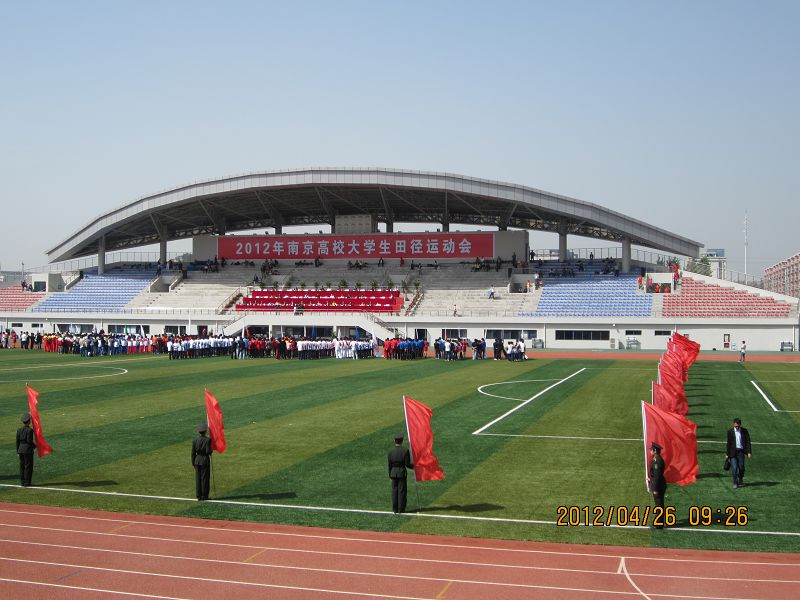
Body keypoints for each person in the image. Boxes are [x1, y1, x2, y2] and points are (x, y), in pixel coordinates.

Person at [388, 432, 413, 513]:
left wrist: (390, 474)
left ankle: (395, 509)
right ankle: (401, 509)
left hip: (393, 472)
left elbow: (389, 465)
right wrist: (414, 466)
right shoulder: (405, 451)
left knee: (394, 491)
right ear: (401, 441)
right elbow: (407, 464)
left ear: (394, 441)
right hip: (401, 473)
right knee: (401, 491)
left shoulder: (391, 451)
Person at [726, 418, 752, 488]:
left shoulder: (744, 431)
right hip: (733, 453)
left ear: (740, 425)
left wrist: (749, 452)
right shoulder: (730, 432)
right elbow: (728, 443)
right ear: (733, 424)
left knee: (741, 467)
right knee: (734, 468)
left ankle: (740, 478)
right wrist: (727, 454)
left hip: (741, 452)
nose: (737, 427)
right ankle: (735, 482)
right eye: (735, 426)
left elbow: (748, 442)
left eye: (738, 426)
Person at [192, 422, 213, 501]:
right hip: (204, 460)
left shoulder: (195, 440)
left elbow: (193, 453)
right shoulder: (207, 440)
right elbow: (208, 452)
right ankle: (204, 495)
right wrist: (211, 451)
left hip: (197, 460)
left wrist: (193, 463)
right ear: (205, 431)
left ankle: (199, 495)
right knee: (205, 479)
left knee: (198, 479)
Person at [649, 442, 666, 528]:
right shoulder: (657, 459)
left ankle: (658, 524)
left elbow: (657, 477)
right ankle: (660, 522)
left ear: (655, 451)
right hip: (659, 485)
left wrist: (655, 489)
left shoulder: (657, 462)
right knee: (659, 504)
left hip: (658, 487)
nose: (650, 451)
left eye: (651, 450)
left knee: (659, 505)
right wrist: (651, 479)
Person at [16, 413, 36, 486]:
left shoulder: (19, 430)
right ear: (29, 421)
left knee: (22, 466)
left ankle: (22, 482)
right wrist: (35, 446)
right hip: (27, 451)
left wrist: (17, 451)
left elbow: (17, 441)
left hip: (20, 450)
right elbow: (29, 441)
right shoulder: (30, 430)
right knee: (28, 466)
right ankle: (27, 482)